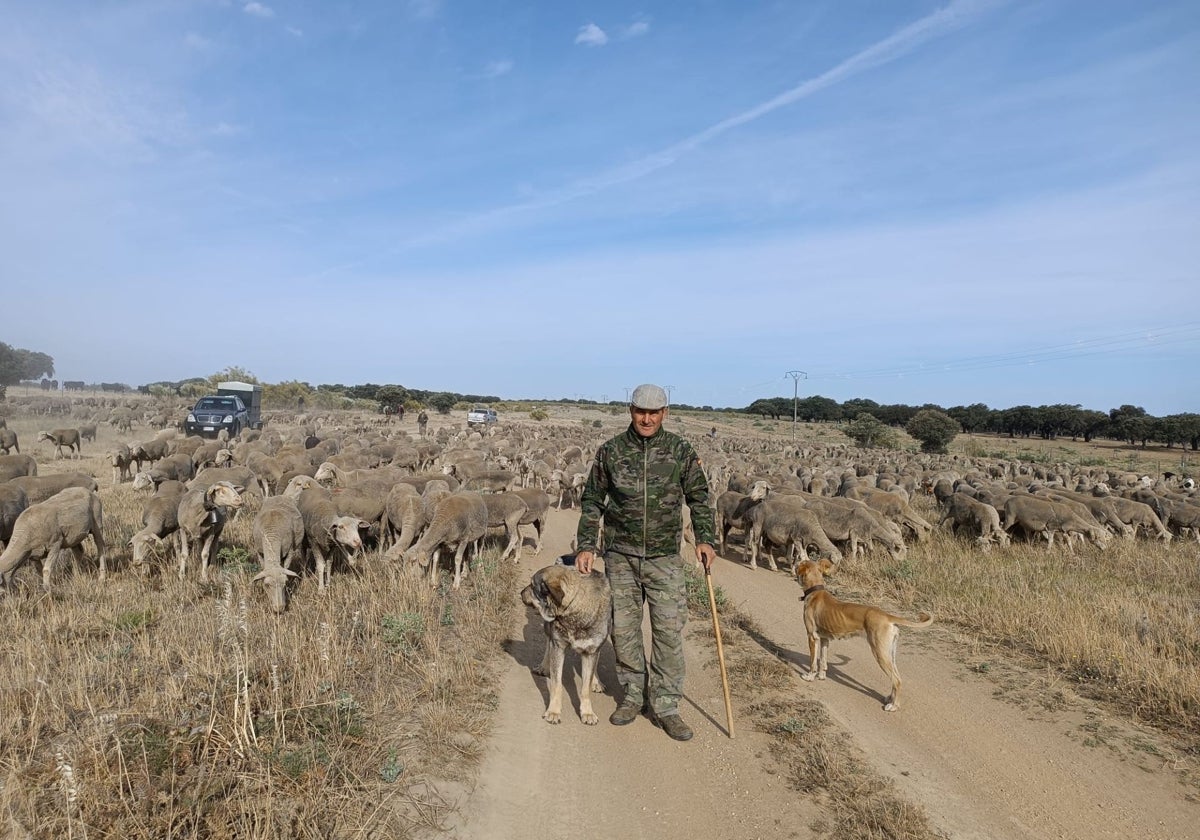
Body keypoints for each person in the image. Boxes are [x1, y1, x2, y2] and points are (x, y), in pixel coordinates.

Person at [574, 383, 717, 741]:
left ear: (664, 413)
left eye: (654, 412)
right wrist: (587, 544)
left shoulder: (680, 451)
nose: (647, 418)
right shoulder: (611, 452)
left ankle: (666, 705)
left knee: (668, 631)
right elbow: (593, 499)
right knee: (624, 630)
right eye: (641, 411)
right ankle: (633, 696)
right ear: (631, 410)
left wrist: (704, 538)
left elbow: (699, 497)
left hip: (664, 557)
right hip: (620, 556)